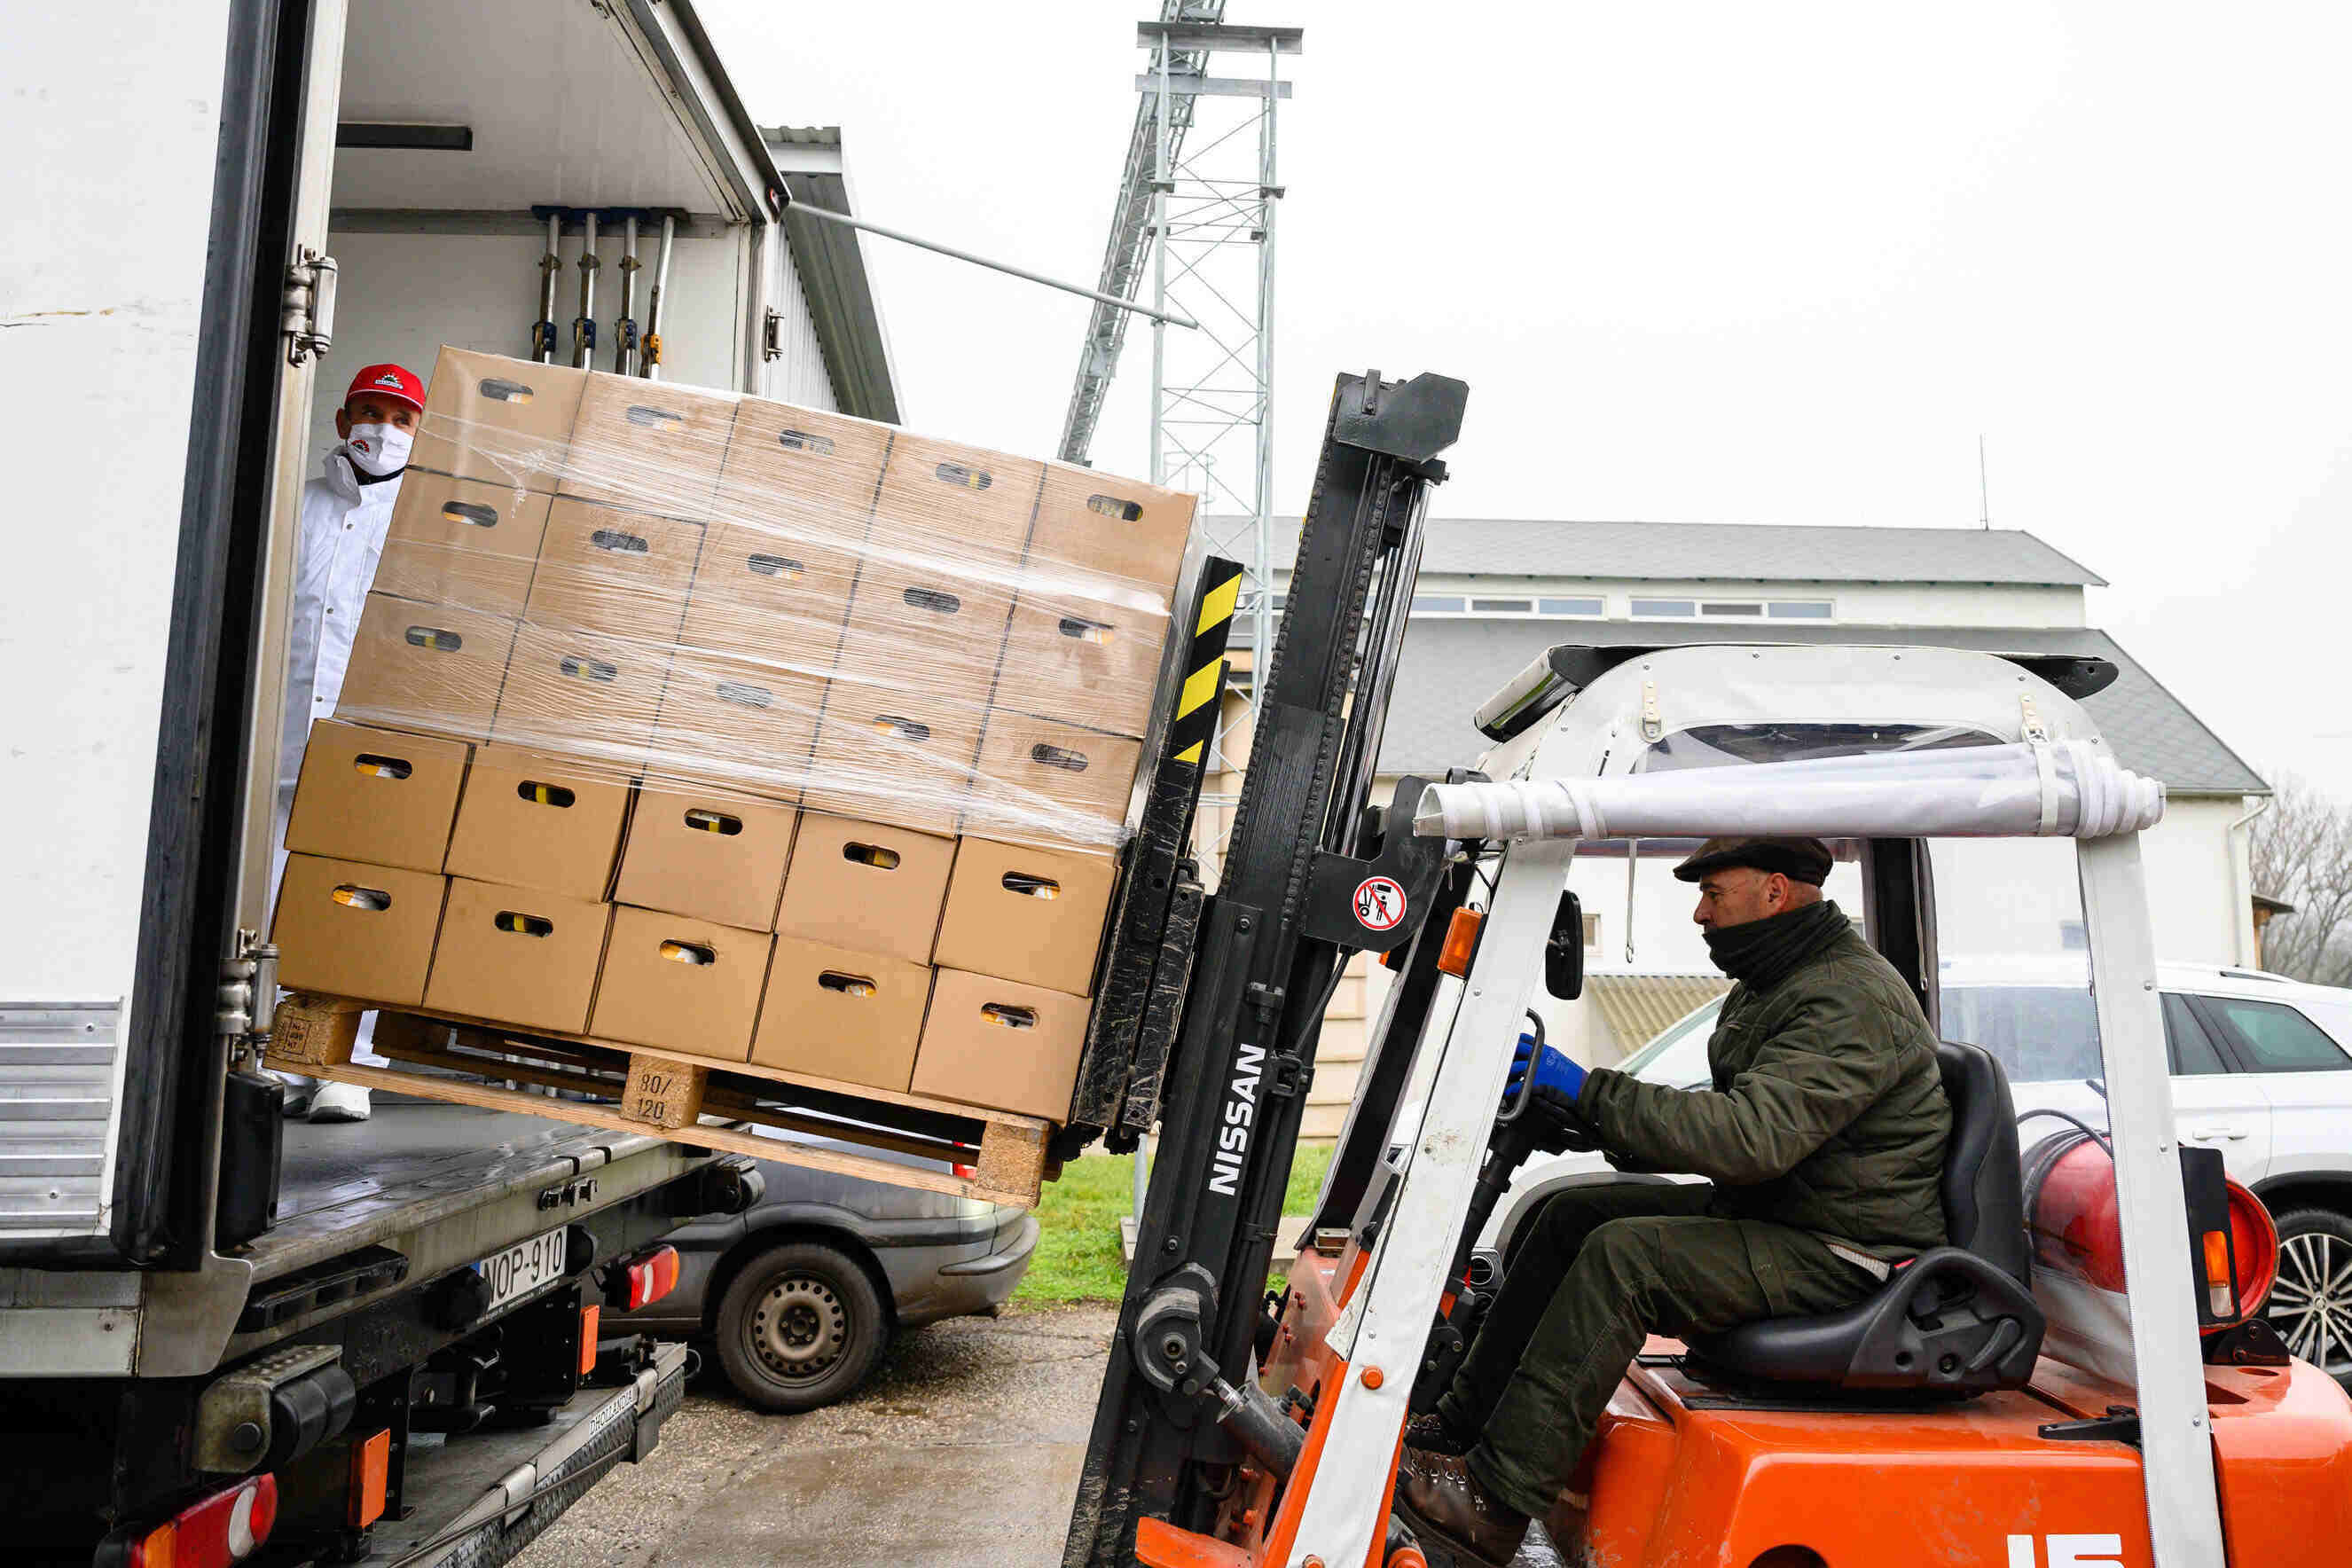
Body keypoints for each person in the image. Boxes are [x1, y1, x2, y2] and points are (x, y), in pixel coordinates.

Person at [1394, 836, 1952, 1566]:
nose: (1700, 914)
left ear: (1774, 891)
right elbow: (1734, 1126)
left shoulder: (1848, 998)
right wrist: (1592, 1116)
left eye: (1713, 894)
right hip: (1782, 1213)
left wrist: (1594, 1092)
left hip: (1844, 1252)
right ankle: (1459, 1427)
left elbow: (1750, 1138)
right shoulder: (1777, 982)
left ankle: (1494, 1503)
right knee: (1568, 1215)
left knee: (1625, 1257)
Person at [271, 363, 426, 1123]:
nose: (382, 430)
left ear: (421, 432)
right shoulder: (295, 507)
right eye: (369, 412)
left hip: (376, 746)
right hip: (282, 739)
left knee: (363, 902)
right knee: (270, 901)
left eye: (400, 418)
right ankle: (272, 1056)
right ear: (342, 421)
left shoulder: (430, 520)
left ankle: (348, 1067)